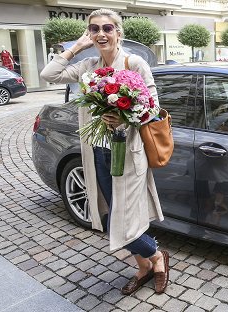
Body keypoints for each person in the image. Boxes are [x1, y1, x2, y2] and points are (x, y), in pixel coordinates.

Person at [40, 8, 169, 296]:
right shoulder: (87, 66)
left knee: (120, 222)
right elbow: (48, 74)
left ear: (118, 33)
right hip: (100, 152)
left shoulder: (134, 64)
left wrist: (126, 118)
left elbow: (153, 108)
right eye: (94, 29)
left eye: (107, 28)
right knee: (115, 215)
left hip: (130, 153)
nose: (101, 33)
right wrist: (77, 47)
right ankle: (145, 265)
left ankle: (157, 257)